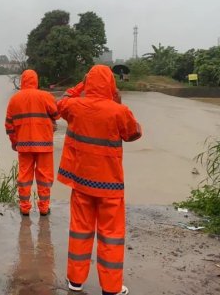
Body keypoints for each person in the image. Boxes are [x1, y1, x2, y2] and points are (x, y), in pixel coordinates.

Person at [56, 65, 142, 295]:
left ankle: (75, 281)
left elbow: (61, 102)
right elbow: (134, 134)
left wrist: (80, 86)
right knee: (111, 237)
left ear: (88, 83)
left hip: (81, 183)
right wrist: (118, 101)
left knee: (80, 231)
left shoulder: (74, 107)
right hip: (110, 187)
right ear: (111, 85)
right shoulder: (118, 111)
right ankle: (111, 288)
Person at [5, 69, 59, 216]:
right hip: (44, 145)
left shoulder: (14, 99)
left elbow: (9, 126)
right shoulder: (45, 96)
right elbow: (56, 114)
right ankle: (43, 208)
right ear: (36, 81)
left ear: (22, 81)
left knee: (24, 177)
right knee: (44, 178)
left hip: (23, 145)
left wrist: (14, 142)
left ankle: (24, 207)